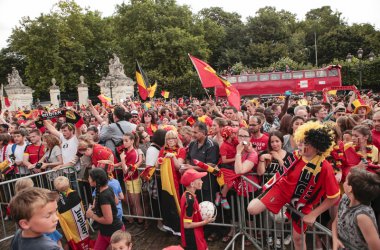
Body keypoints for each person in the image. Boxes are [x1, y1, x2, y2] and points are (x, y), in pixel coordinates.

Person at [247, 122, 340, 250]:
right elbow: (282, 174)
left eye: (305, 143)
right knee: (252, 208)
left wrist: (314, 214)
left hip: (303, 203)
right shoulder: (296, 155)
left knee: (298, 239)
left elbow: (334, 197)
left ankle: (287, 216)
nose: (300, 145)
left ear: (317, 146)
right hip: (282, 190)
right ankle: (285, 213)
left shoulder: (325, 167)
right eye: (300, 141)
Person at [332, 168, 380, 250]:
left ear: (350, 188)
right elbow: (336, 221)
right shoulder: (345, 198)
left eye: (346, 181)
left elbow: (376, 247)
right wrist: (335, 239)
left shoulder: (362, 216)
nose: (344, 182)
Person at [86, 168, 124, 250]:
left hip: (113, 232)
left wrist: (92, 215)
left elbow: (108, 220)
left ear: (95, 181)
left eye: (89, 177)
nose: (88, 179)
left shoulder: (103, 196)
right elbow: (116, 202)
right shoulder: (107, 187)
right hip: (105, 231)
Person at [158, 130, 186, 235]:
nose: (170, 141)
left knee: (176, 204)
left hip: (178, 182)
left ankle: (179, 229)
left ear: (177, 139)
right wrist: (161, 160)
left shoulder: (181, 150)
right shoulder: (162, 150)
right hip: (166, 181)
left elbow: (179, 166)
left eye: (173, 138)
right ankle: (169, 227)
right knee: (167, 204)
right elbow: (157, 164)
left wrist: (173, 156)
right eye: (168, 139)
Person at [180, 169, 215, 250]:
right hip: (193, 237)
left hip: (196, 235)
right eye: (199, 179)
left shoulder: (188, 195)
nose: (202, 182)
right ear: (192, 184)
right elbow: (186, 225)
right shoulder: (190, 200)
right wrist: (205, 222)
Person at [119, 132, 144, 233]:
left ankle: (140, 223)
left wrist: (122, 160)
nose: (124, 143)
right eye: (123, 140)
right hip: (129, 181)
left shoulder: (133, 153)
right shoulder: (128, 152)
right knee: (131, 202)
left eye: (126, 141)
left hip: (133, 180)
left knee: (136, 203)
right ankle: (135, 221)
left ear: (132, 141)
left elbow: (126, 171)